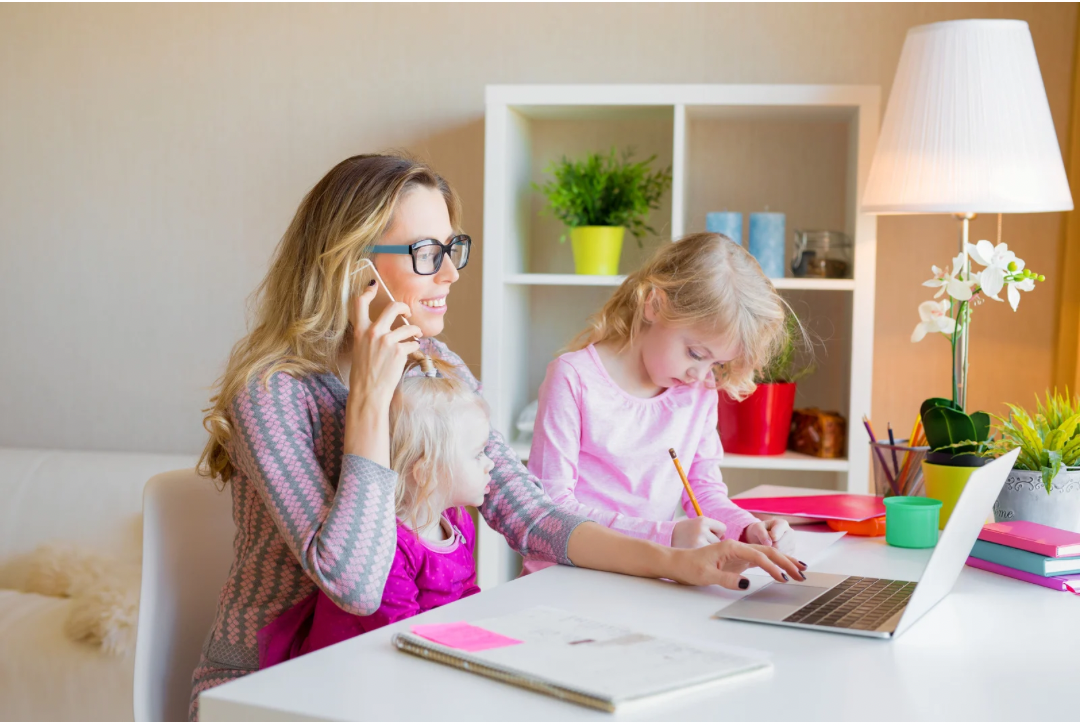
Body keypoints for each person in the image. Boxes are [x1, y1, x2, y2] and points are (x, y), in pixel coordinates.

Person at [189, 154, 804, 719]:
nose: (452, 272)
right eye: (427, 252)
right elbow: (355, 584)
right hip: (271, 689)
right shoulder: (274, 393)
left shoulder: (435, 365)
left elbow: (532, 513)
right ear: (354, 268)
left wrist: (679, 560)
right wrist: (371, 402)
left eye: (453, 247)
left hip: (386, 669)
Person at [524, 233, 798, 575]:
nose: (700, 375)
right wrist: (666, 536)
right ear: (654, 305)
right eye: (696, 354)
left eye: (716, 364)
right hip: (567, 575)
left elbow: (704, 491)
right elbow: (552, 510)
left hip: (646, 576)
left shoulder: (699, 391)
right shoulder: (574, 378)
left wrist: (746, 528)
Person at [257, 353, 491, 667]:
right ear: (426, 471)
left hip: (415, 662)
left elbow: (466, 596)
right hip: (347, 673)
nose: (491, 464)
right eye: (478, 454)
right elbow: (400, 633)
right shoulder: (387, 545)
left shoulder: (458, 524)